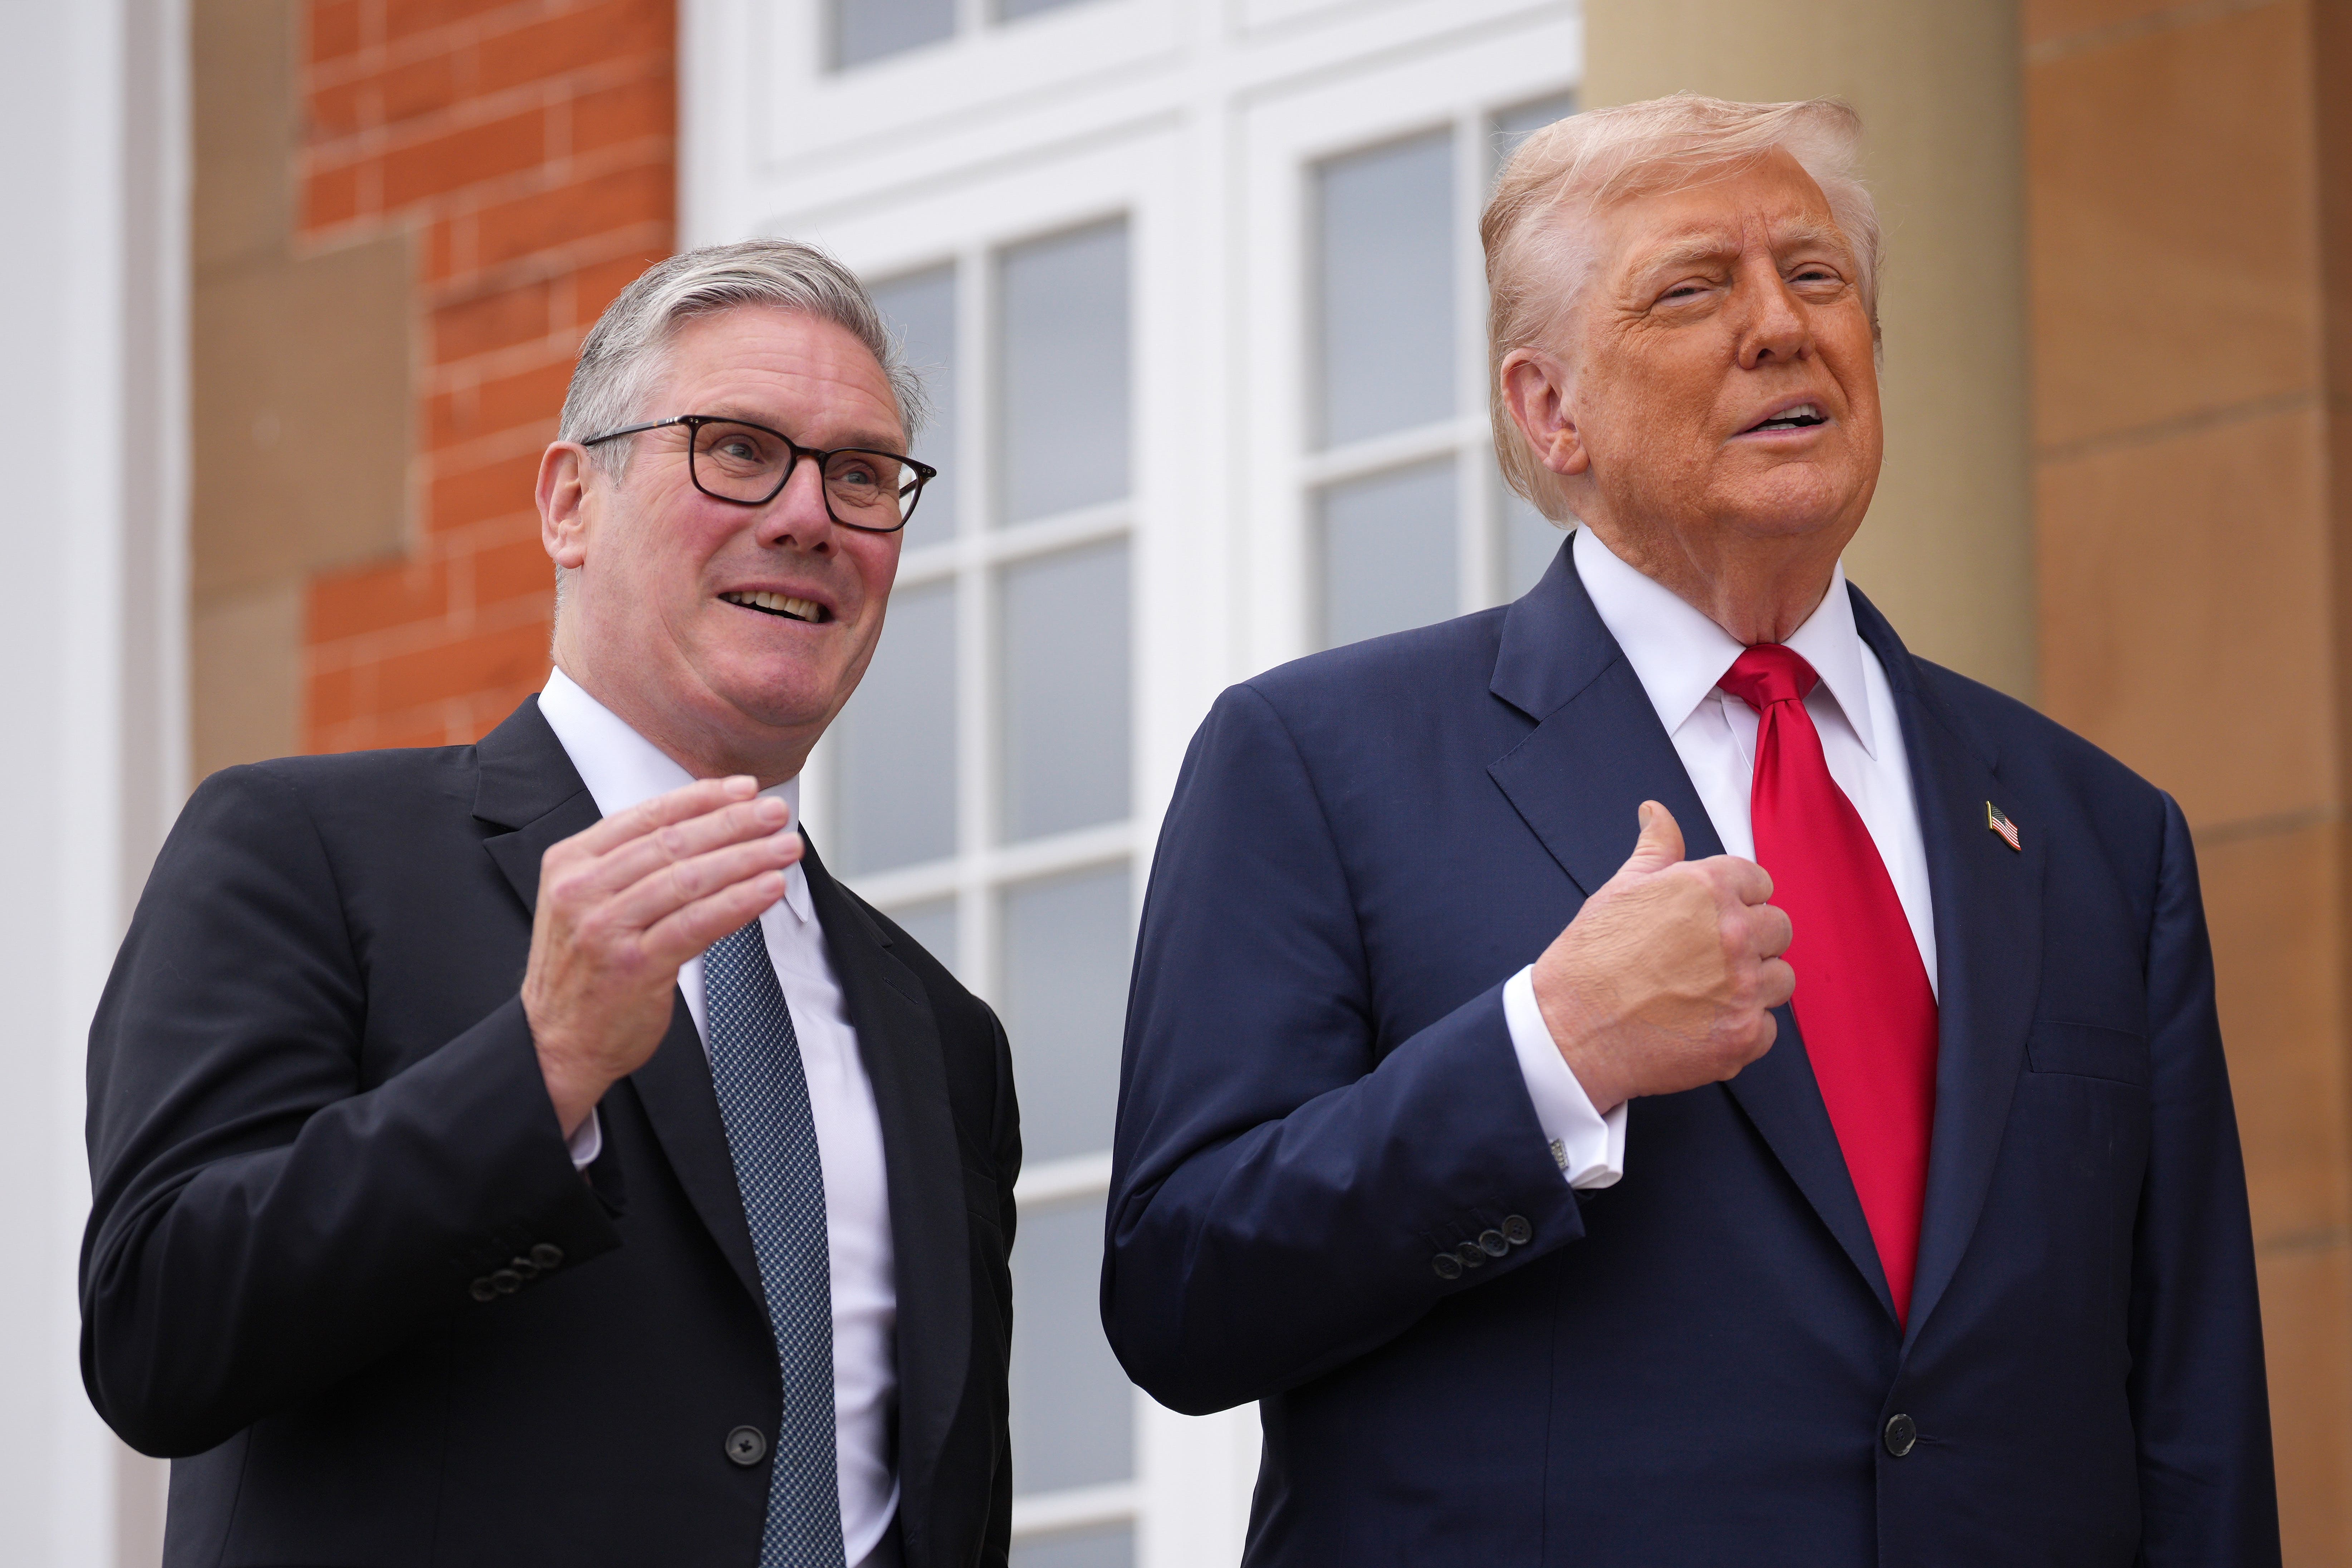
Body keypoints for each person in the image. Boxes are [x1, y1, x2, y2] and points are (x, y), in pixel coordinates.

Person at [1104, 95, 2278, 1565]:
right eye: (1693, 289)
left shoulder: (2102, 831)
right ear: (1550, 409)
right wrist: (1549, 1051)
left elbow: (2195, 1408)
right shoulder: (1318, 761)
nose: (1782, 327)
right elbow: (1182, 1293)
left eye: (1818, 276)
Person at [82, 240, 1018, 1568]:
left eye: (862, 476)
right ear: (570, 502)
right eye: (739, 451)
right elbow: (157, 1332)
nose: (809, 515)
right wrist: (540, 1070)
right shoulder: (304, 850)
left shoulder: (944, 1037)